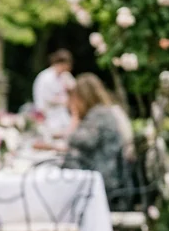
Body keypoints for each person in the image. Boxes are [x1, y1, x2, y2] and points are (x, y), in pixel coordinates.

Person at [62, 73, 130, 201]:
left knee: (59, 177)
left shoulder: (99, 114)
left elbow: (80, 140)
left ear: (83, 97)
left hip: (103, 177)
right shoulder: (101, 112)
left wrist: (75, 117)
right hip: (106, 171)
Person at [33, 49, 75, 138]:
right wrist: (63, 100)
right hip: (48, 116)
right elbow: (45, 99)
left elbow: (74, 89)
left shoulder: (65, 75)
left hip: (62, 115)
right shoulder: (45, 77)